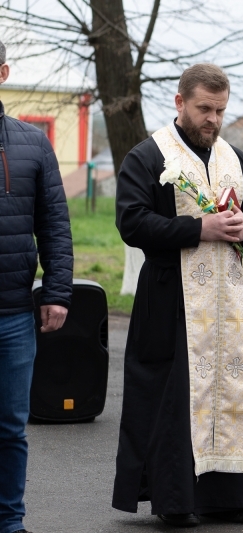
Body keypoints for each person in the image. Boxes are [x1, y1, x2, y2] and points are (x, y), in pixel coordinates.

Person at [112, 63, 243, 527]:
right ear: (180, 103)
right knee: (173, 399)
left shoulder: (237, 160)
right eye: (204, 108)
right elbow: (132, 222)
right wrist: (199, 227)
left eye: (220, 110)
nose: (212, 119)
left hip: (230, 303)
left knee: (232, 392)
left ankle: (230, 495)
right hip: (170, 299)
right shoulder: (148, 156)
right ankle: (175, 499)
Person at [0, 39, 73, 533]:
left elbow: (54, 224)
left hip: (12, 317)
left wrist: (58, 291)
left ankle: (10, 522)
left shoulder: (32, 143)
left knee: (9, 429)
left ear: (2, 71)